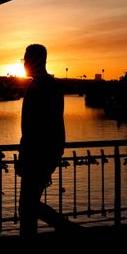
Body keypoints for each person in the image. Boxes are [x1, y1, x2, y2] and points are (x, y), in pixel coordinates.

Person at [17, 43, 76, 235]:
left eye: (26, 58)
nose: (24, 62)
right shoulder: (47, 86)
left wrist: (38, 155)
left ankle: (67, 228)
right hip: (40, 155)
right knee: (28, 207)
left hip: (37, 156)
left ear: (35, 61)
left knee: (27, 207)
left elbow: (41, 126)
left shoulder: (41, 87)